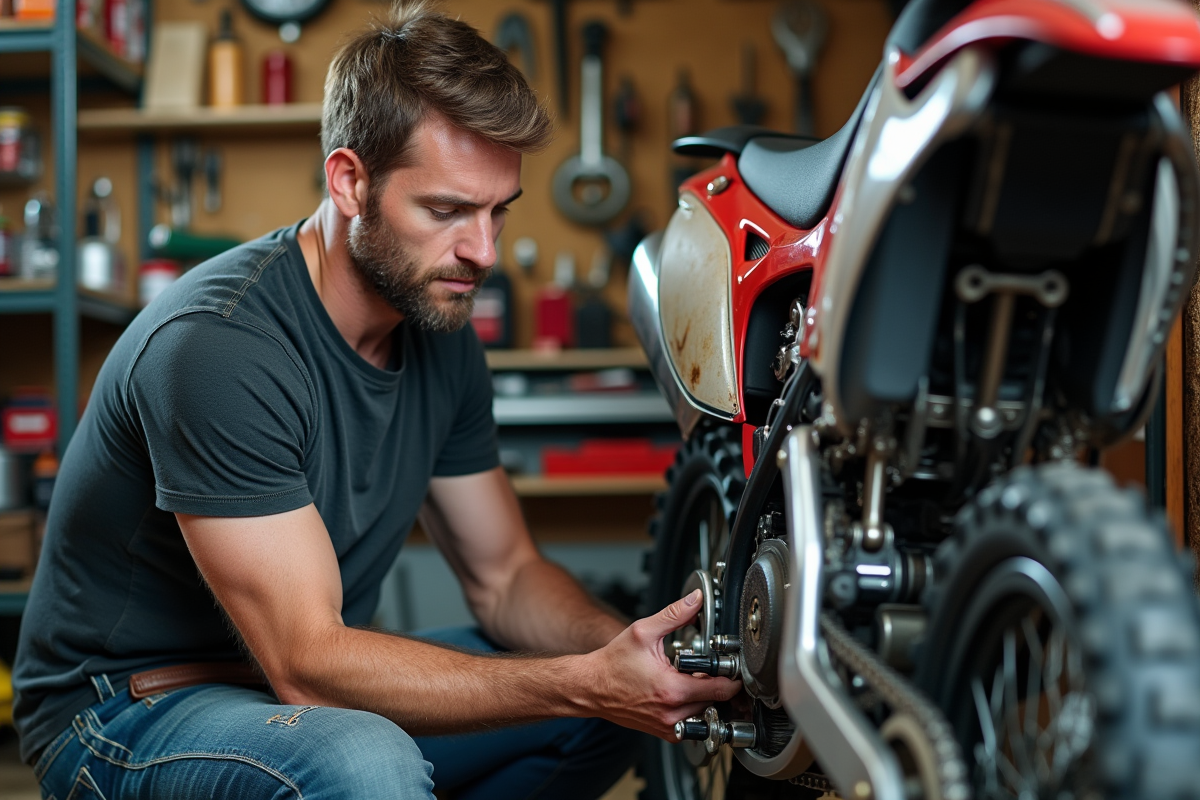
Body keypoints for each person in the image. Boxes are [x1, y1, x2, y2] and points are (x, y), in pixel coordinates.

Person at [13, 2, 740, 798]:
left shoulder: (440, 333)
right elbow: (308, 665)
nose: (483, 252)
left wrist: (622, 659)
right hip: (127, 710)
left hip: (288, 696)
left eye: (499, 211)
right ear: (351, 182)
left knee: (603, 710)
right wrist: (582, 682)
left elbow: (505, 576)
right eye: (446, 211)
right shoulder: (219, 345)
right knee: (364, 759)